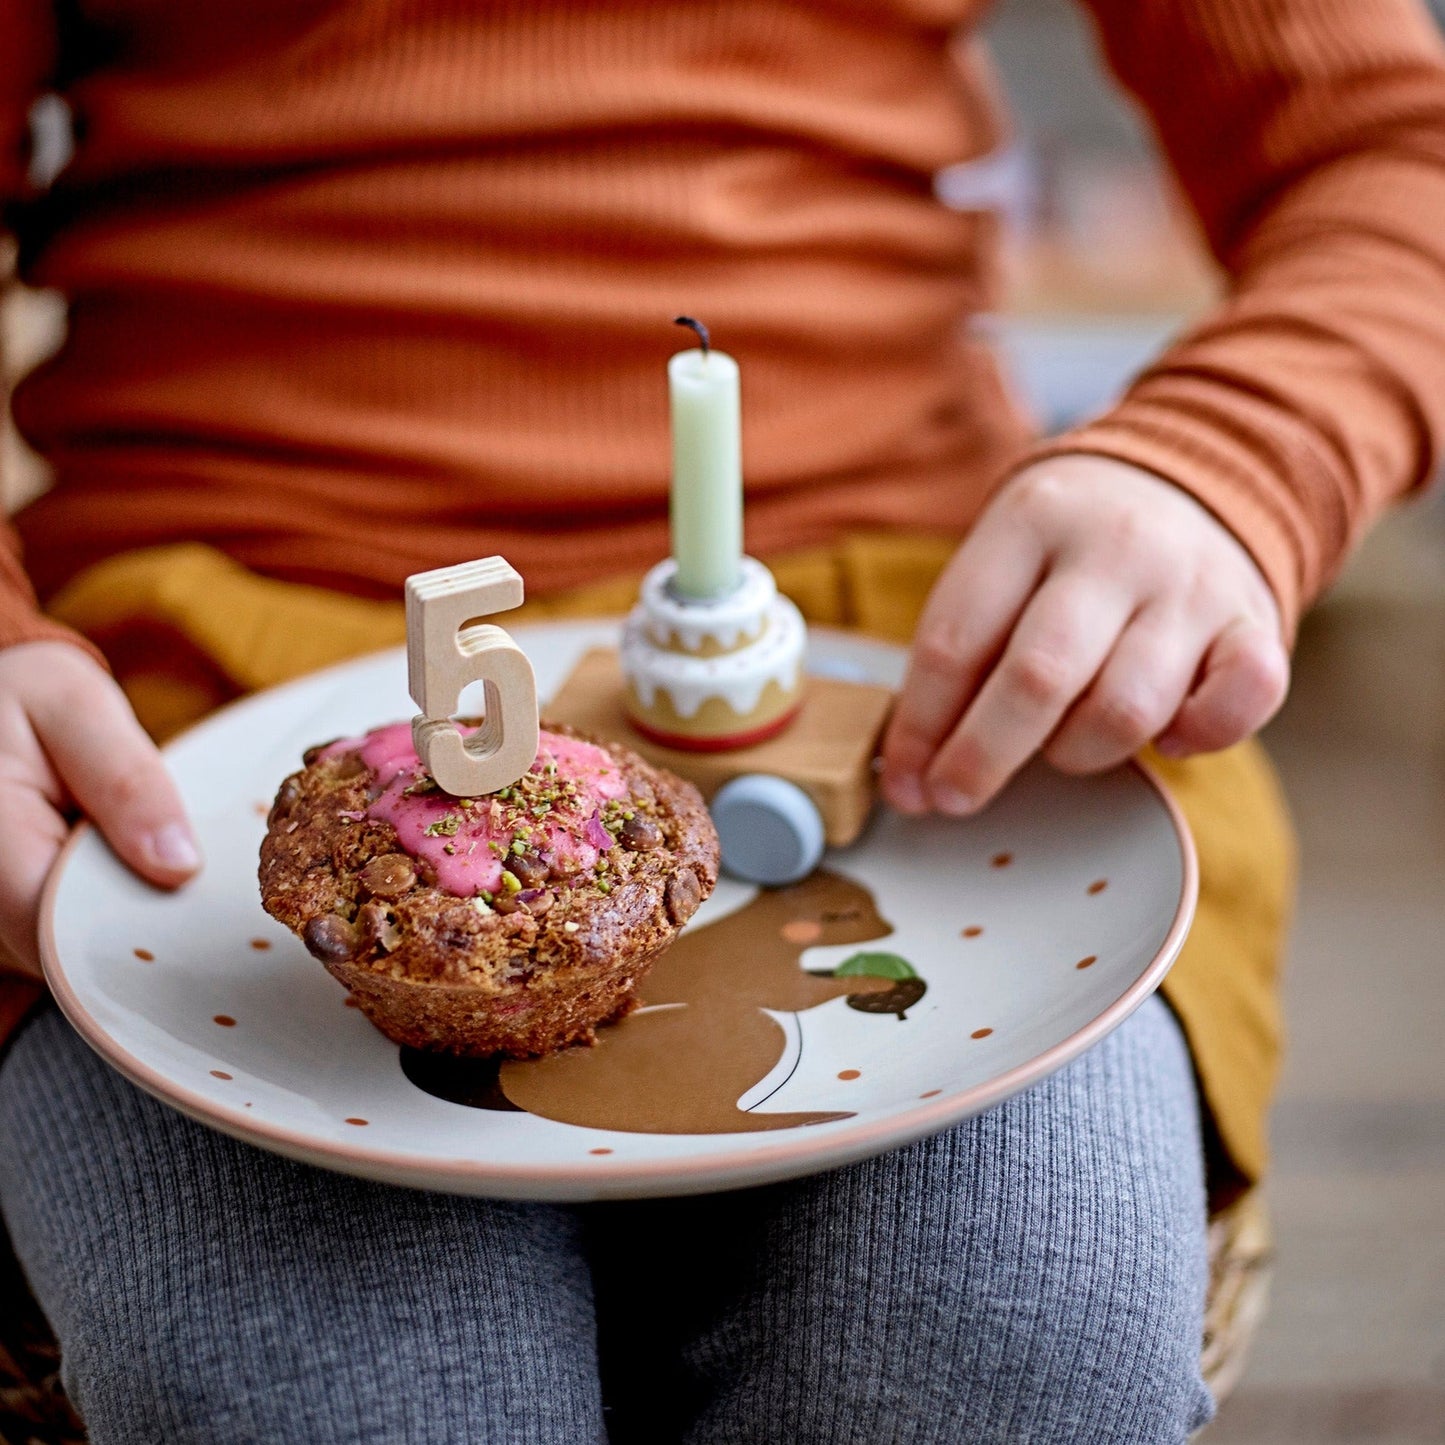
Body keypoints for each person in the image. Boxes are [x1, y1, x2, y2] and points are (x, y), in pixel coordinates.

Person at [1, 1, 1441, 1440]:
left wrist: (1234, 451)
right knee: (333, 1402)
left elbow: (1391, 147)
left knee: (1003, 1351)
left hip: (914, 686)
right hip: (195, 704)